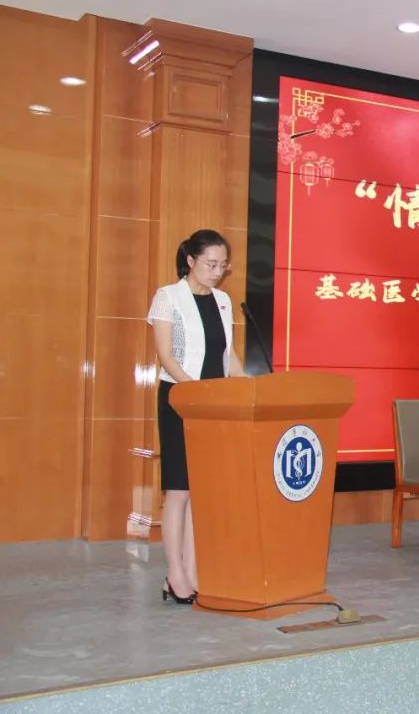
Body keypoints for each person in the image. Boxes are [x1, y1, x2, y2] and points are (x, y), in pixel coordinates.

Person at [147, 230, 245, 605]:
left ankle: (192, 571)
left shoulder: (222, 301)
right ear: (190, 260)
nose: (218, 272)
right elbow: (166, 355)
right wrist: (195, 392)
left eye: (223, 265)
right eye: (211, 264)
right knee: (180, 489)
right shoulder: (168, 297)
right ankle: (175, 573)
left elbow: (227, 356)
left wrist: (250, 385)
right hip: (180, 399)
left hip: (213, 405)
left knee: (201, 491)